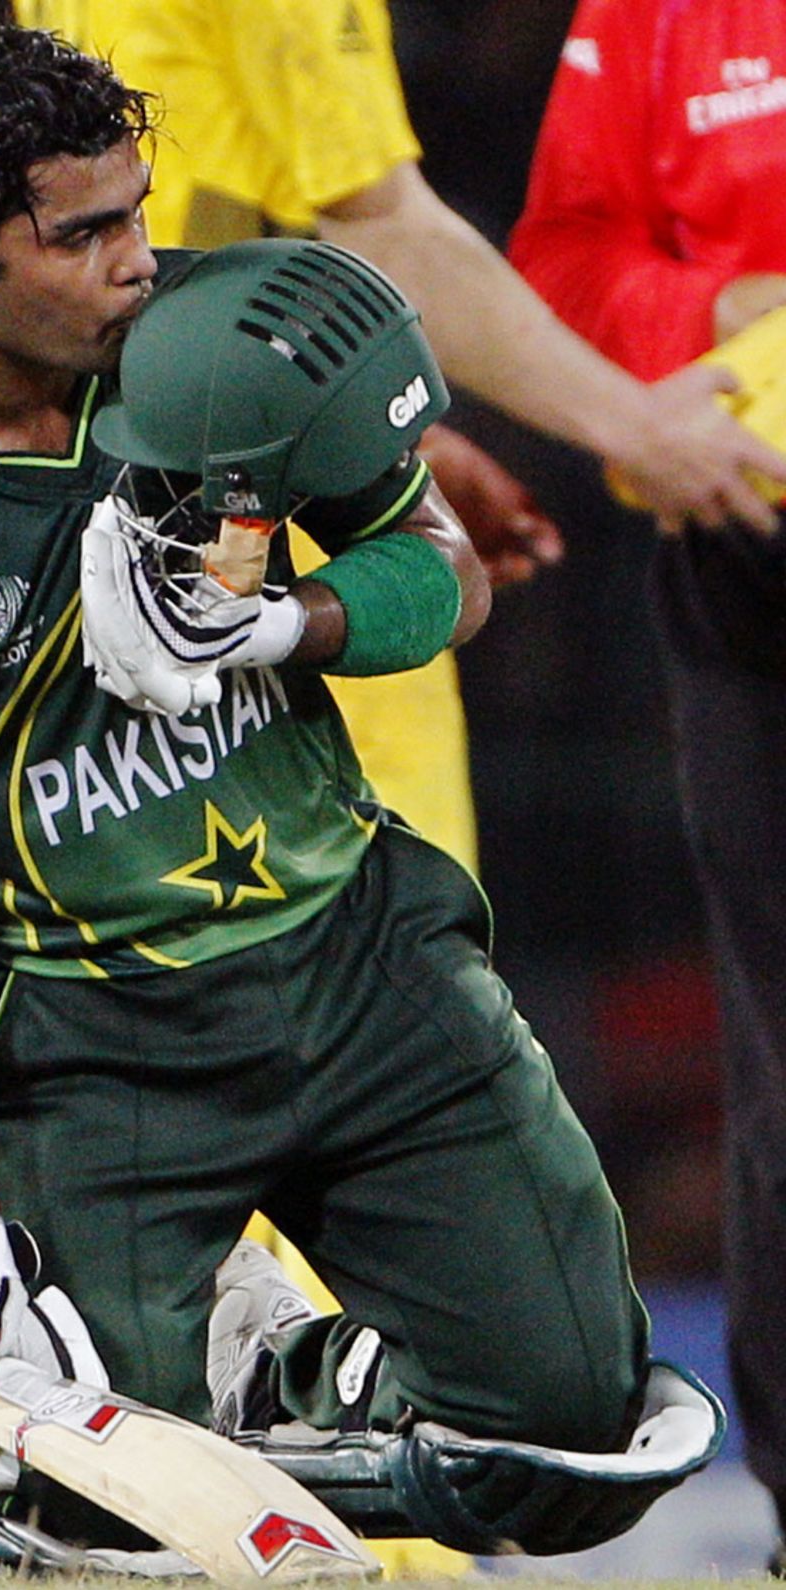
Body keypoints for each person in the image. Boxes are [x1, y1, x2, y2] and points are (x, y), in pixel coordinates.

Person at [0, 22, 724, 1576]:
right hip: (99, 1054)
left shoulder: (223, 339)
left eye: (139, 212)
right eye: (81, 235)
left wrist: (287, 621)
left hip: (363, 969)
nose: (137, 264)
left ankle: (255, 1367)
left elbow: (444, 569)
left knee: (568, 1439)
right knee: (79, 1507)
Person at [12, 0, 786, 875]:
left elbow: (204, 211)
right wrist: (640, 428)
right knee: (398, 929)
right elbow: (383, 226)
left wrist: (380, 427)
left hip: (136, 510)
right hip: (280, 545)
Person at [507, 0, 786, 1571]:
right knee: (783, 1074)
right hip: (747, 557)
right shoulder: (664, 13)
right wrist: (729, 305)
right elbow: (560, 272)